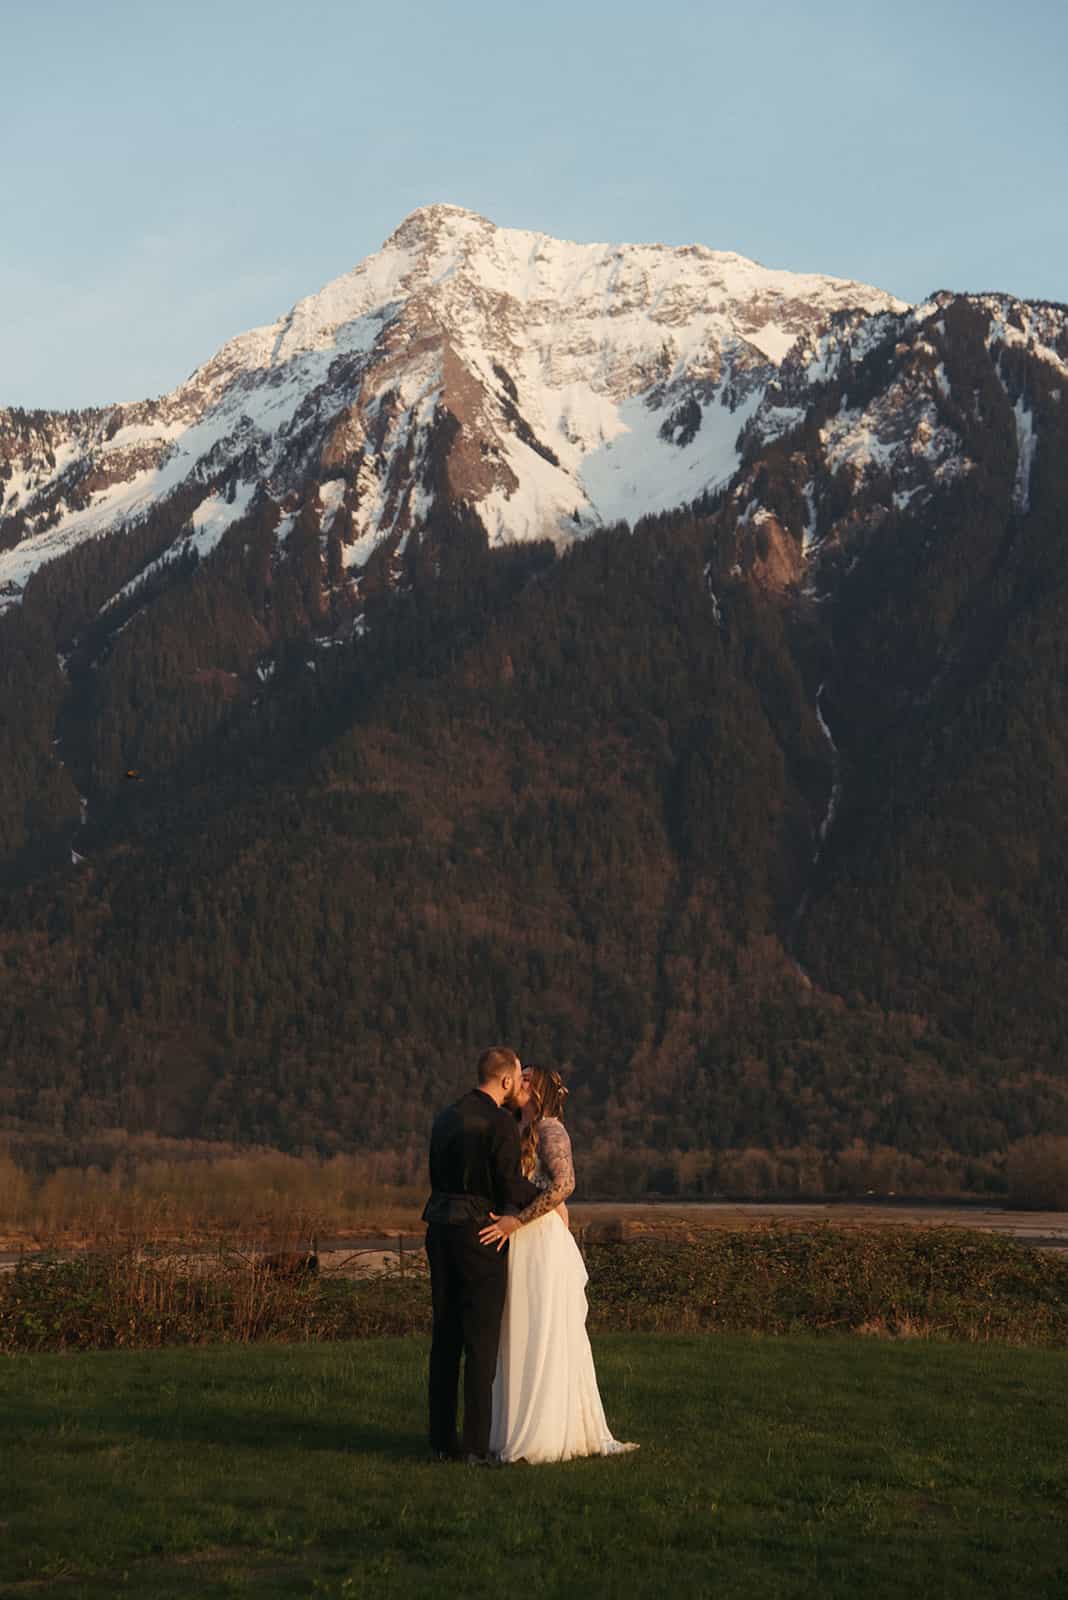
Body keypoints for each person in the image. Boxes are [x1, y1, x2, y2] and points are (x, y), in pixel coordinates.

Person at [481, 1065, 638, 1464]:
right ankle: (516, 1427)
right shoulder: (519, 1130)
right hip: (523, 1240)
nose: (520, 1082)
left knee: (544, 1329)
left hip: (538, 1238)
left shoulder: (551, 1130)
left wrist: (519, 1219)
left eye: (527, 1078)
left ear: (539, 1091)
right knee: (521, 1329)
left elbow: (565, 1184)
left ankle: (545, 1432)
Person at [422, 1045, 538, 1464]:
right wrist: (548, 1198)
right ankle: (475, 1446)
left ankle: (440, 1441)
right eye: (518, 1077)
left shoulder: (445, 1117)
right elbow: (509, 1186)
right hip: (480, 1233)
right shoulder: (500, 1124)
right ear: (506, 1080)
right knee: (481, 1341)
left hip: (438, 1228)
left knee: (445, 1337)